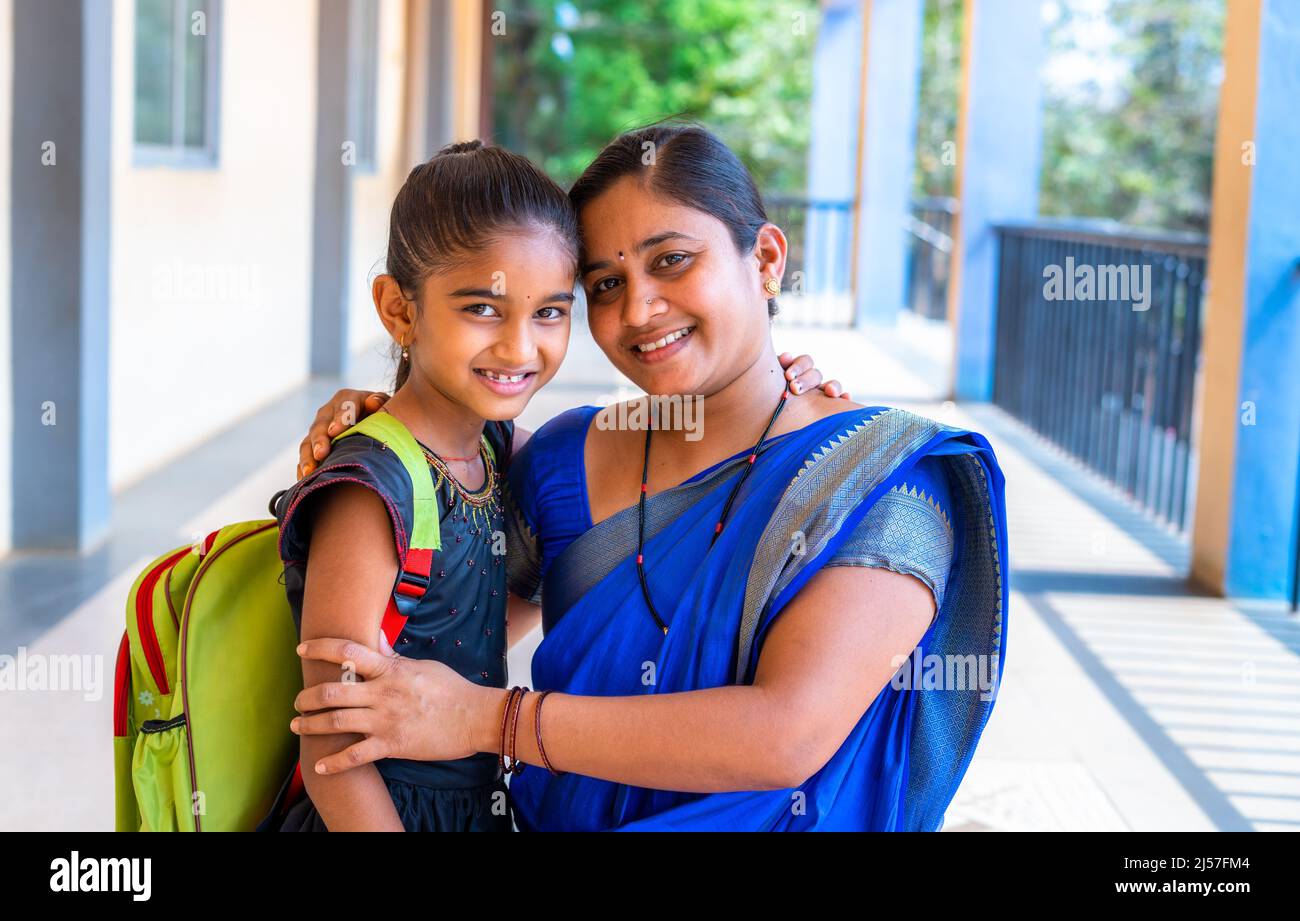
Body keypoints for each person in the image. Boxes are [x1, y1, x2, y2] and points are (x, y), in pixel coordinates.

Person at [290, 122, 1008, 831]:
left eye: (671, 261)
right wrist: (378, 422)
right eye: (605, 283)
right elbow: (440, 602)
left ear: (765, 258)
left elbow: (784, 735)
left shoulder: (885, 483)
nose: (637, 310)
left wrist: (485, 720)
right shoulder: (559, 459)